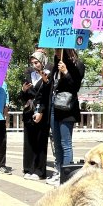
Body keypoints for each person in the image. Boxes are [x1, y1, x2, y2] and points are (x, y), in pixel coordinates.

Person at [48, 48, 85, 185]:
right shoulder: (55, 66)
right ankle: (58, 171)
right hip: (54, 107)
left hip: (68, 108)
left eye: (58, 50)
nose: (56, 53)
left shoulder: (78, 65)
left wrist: (66, 72)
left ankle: (67, 175)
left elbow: (75, 87)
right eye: (55, 50)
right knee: (56, 143)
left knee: (65, 143)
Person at [18, 50, 51, 180]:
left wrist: (41, 111)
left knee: (40, 141)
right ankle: (28, 168)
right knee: (29, 141)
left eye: (36, 62)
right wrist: (23, 90)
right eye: (32, 63)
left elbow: (47, 95)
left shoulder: (48, 74)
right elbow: (23, 97)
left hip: (41, 111)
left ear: (42, 62)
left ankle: (39, 171)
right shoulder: (29, 75)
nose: (34, 65)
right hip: (28, 111)